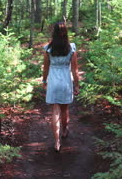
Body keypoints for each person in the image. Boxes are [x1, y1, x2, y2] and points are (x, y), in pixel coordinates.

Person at [42, 21, 79, 152]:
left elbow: (45, 68)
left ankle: (57, 141)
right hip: (66, 82)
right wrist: (77, 85)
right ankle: (64, 131)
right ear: (66, 33)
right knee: (64, 109)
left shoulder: (48, 49)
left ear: (54, 33)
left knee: (55, 111)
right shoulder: (71, 48)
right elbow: (75, 70)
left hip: (53, 82)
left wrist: (44, 81)